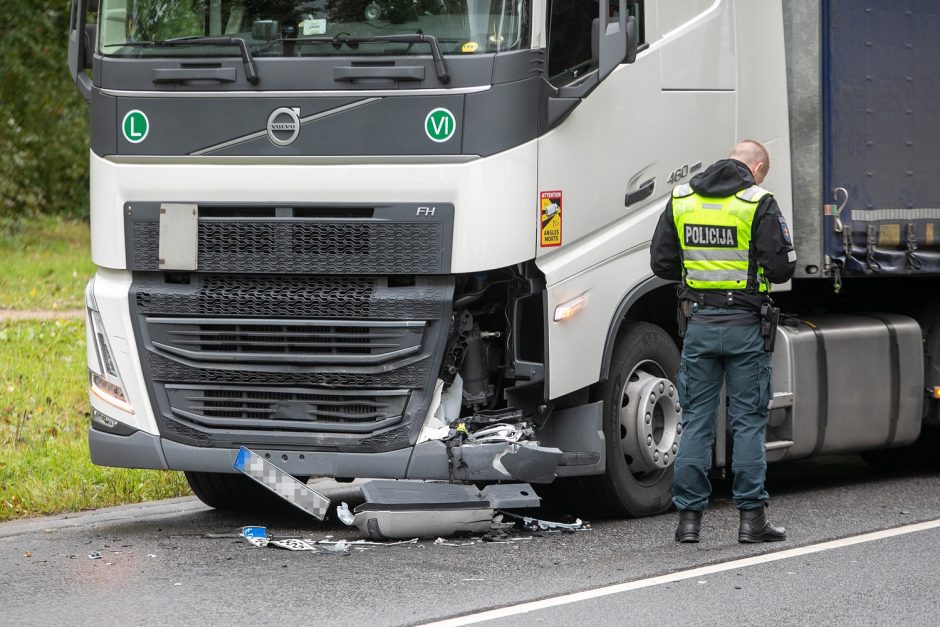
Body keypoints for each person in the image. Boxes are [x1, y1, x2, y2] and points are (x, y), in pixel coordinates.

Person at [649, 139, 796, 543]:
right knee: (747, 422)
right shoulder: (756, 201)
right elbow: (782, 268)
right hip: (747, 327)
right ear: (759, 167)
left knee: (695, 420)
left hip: (699, 325)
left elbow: (661, 264)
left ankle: (689, 523)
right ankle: (751, 521)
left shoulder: (682, 198)